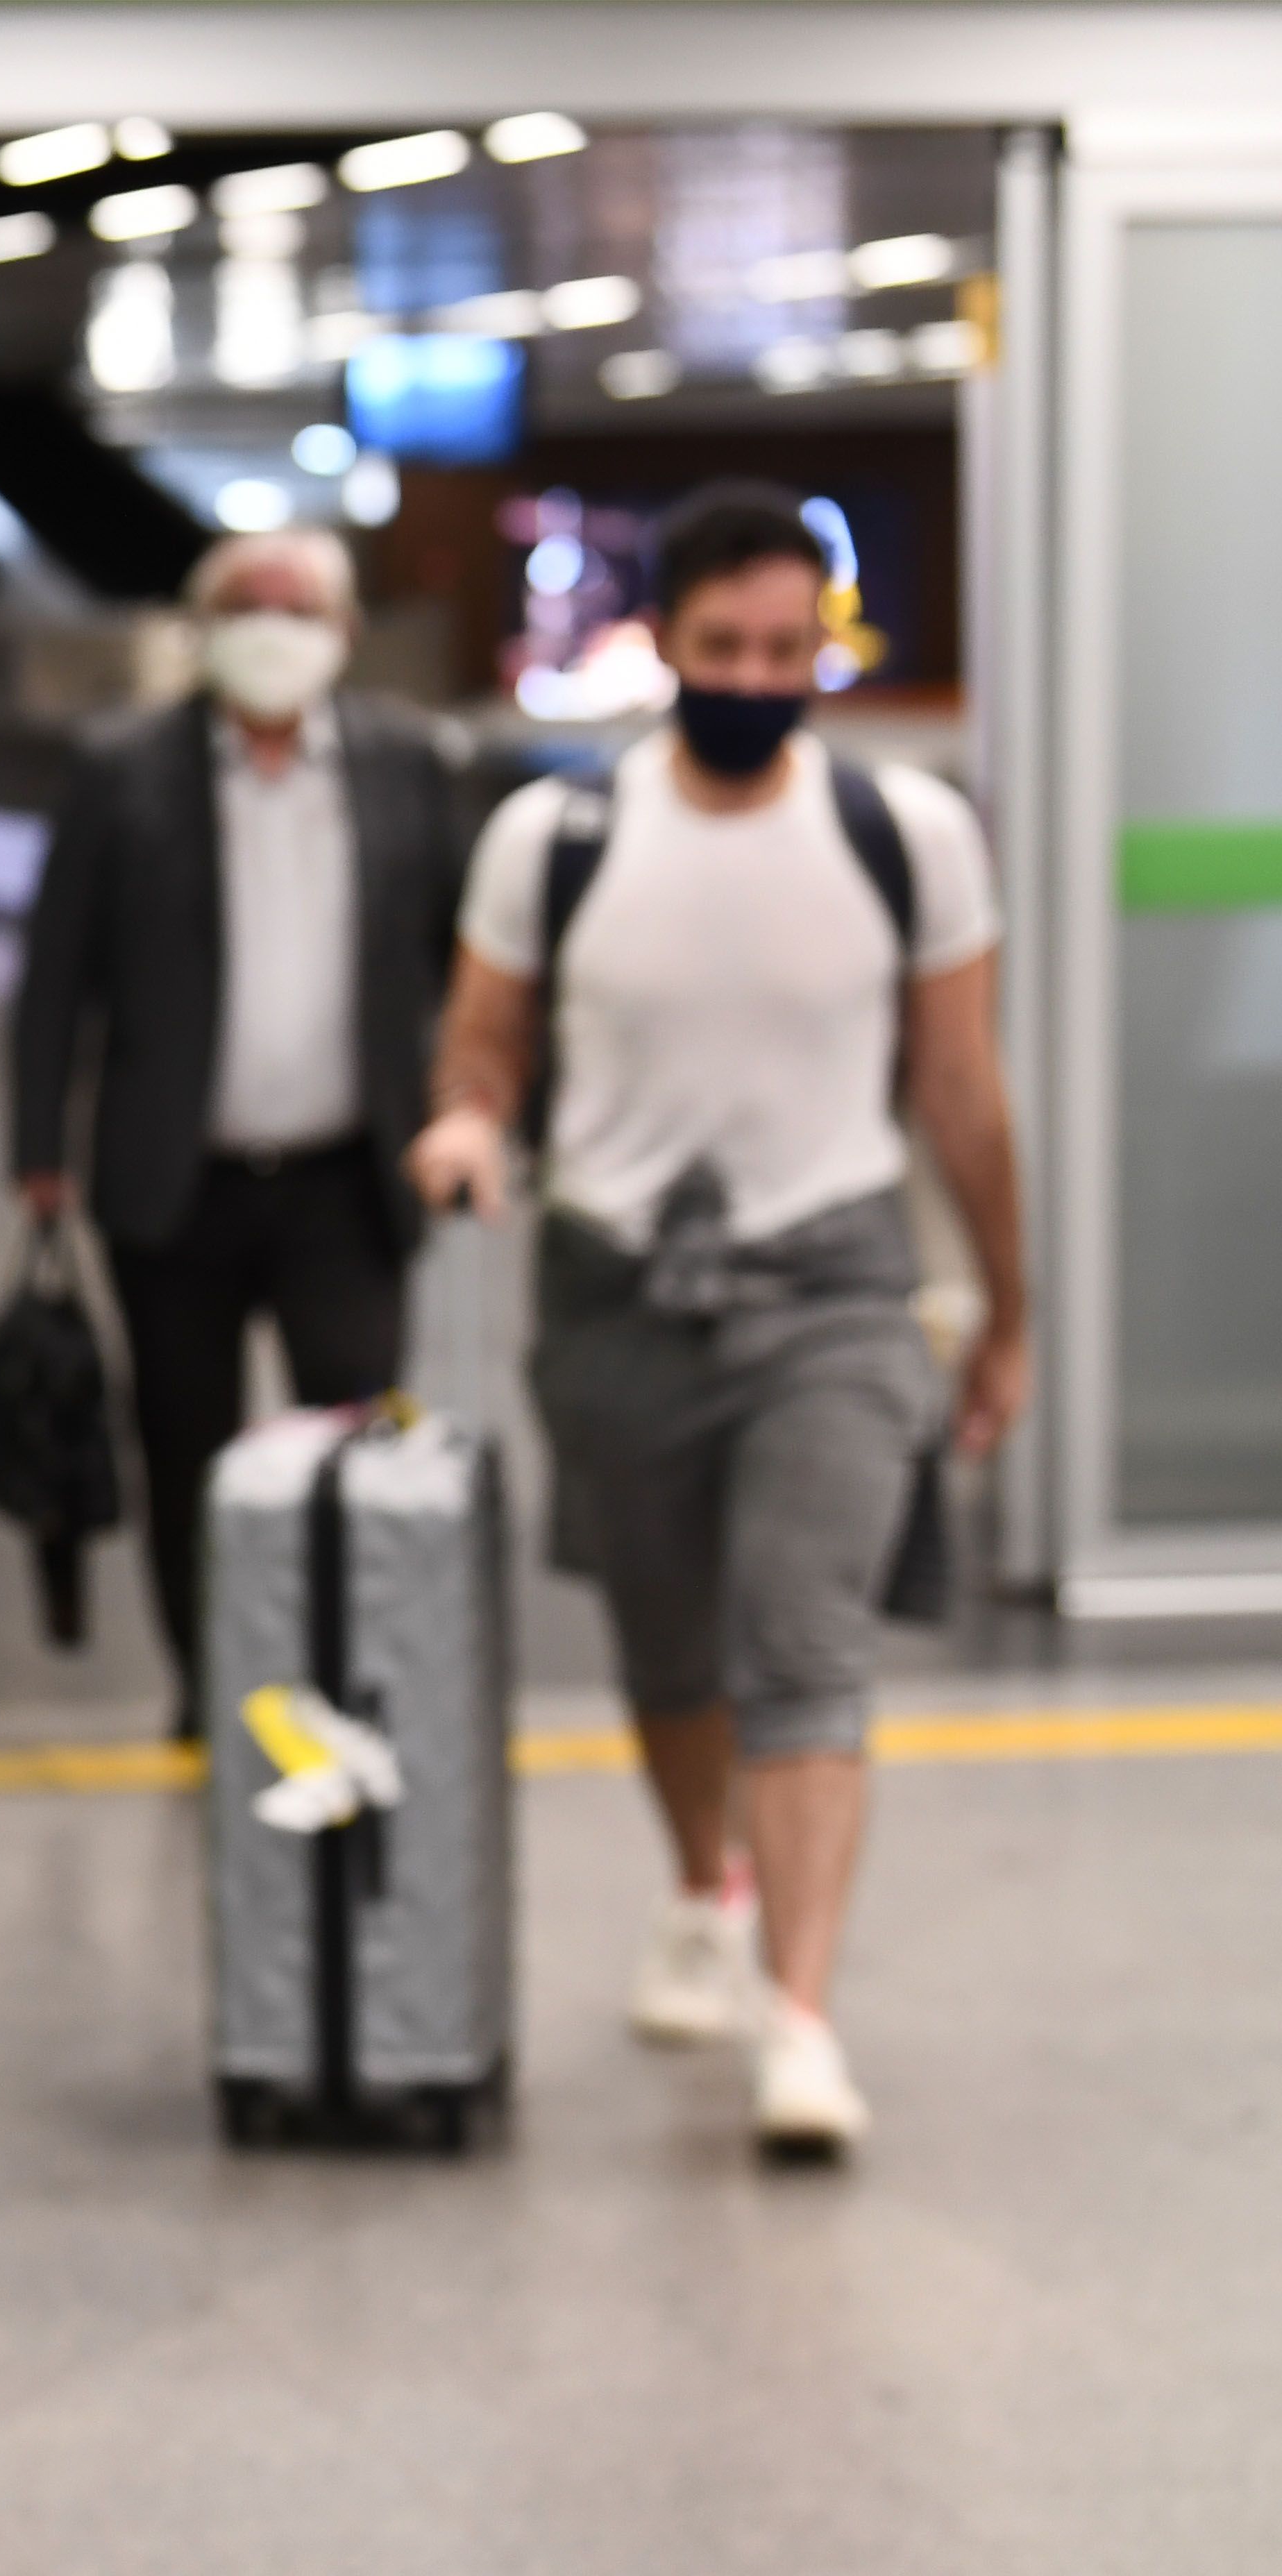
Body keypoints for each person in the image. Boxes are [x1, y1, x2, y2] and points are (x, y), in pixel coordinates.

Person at [410, 480, 1027, 2157]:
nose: (761, 673)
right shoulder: (562, 839)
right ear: (663, 647)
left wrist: (1011, 1313)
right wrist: (471, 1119)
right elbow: (485, 1041)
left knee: (803, 1643)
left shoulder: (910, 836)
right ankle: (705, 1884)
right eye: (725, 646)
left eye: (790, 646)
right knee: (669, 1644)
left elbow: (963, 1097)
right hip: (615, 1288)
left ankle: (802, 2016)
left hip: (832, 1285)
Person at [10, 528, 470, 1731]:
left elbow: (465, 963)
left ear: (346, 634)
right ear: (204, 630)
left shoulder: (408, 764)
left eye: (297, 608)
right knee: (188, 1449)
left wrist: (474, 1112)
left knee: (358, 1448)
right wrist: (37, 1147)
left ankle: (349, 1673)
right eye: (248, 606)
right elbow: (57, 971)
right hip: (176, 1182)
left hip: (348, 1181)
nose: (273, 631)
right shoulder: (125, 770)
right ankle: (214, 1685)